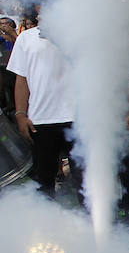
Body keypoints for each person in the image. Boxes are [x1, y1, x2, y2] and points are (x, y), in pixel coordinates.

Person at [8, 25, 82, 198]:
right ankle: (45, 219)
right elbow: (21, 80)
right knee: (43, 179)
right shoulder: (26, 38)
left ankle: (88, 221)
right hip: (40, 120)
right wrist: (20, 114)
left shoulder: (79, 30)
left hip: (77, 119)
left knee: (83, 178)